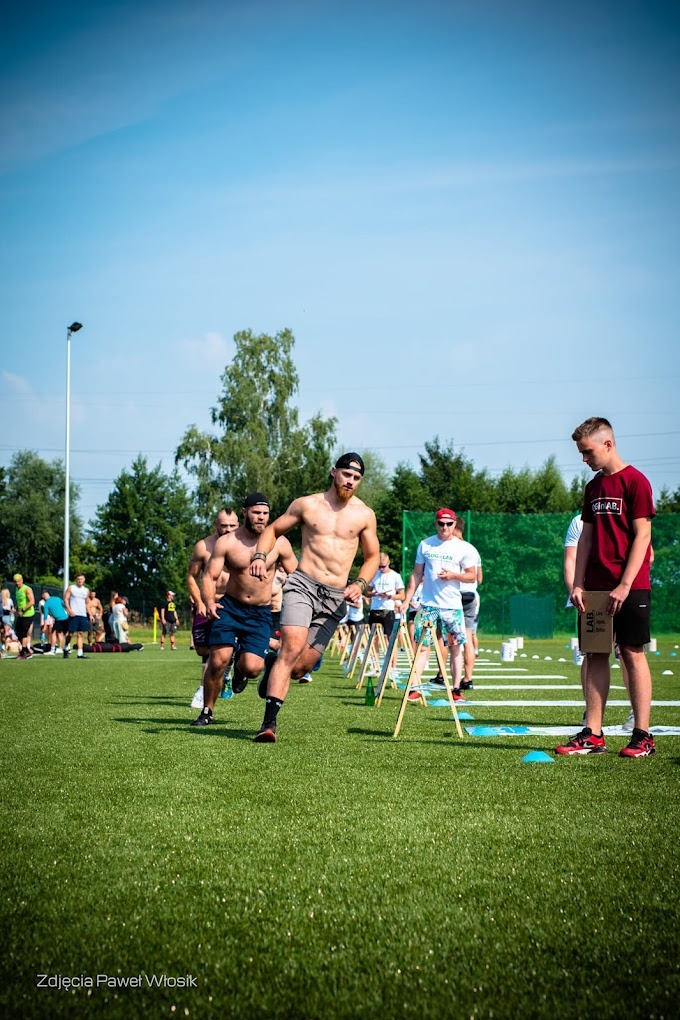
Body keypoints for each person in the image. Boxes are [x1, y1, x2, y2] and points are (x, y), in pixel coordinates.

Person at [249, 453, 380, 743]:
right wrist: (260, 555)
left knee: (302, 666)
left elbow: (372, 557)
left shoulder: (364, 514)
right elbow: (273, 529)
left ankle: (272, 666)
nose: (351, 481)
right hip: (302, 585)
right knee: (292, 646)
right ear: (334, 472)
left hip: (335, 597)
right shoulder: (307, 504)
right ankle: (268, 724)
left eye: (357, 478)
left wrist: (359, 582)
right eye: (347, 474)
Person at [555, 417, 656, 759]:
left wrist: (625, 585)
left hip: (631, 587)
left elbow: (643, 536)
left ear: (608, 445)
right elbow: (586, 538)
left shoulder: (636, 481)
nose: (585, 459)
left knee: (631, 653)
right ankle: (593, 734)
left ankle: (642, 736)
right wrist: (579, 583)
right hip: (595, 589)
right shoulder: (593, 487)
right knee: (595, 653)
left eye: (588, 452)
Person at [191, 493, 297, 727]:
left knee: (252, 668)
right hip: (229, 608)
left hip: (260, 613)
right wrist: (208, 601)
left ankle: (240, 669)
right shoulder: (228, 542)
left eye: (265, 513)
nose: (261, 517)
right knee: (218, 661)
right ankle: (207, 710)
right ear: (245, 513)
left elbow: (297, 576)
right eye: (256, 512)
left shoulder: (279, 543)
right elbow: (209, 576)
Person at [402, 509, 477, 701]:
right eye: (441, 523)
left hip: (452, 607)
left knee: (455, 648)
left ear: (454, 524)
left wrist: (453, 575)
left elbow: (472, 575)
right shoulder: (425, 544)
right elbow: (416, 574)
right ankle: (414, 688)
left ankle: (456, 690)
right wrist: (406, 599)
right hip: (428, 606)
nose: (445, 527)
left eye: (449, 524)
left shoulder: (464, 548)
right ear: (435, 523)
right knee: (422, 647)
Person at [186, 507, 239, 708]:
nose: (227, 529)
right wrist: (199, 601)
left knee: (214, 652)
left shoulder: (243, 545)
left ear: (238, 525)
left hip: (230, 604)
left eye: (232, 526)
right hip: (206, 603)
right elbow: (191, 576)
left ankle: (202, 690)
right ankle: (226, 668)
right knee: (202, 650)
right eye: (223, 525)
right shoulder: (204, 547)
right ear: (216, 525)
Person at [454, 516, 483, 690]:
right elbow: (479, 578)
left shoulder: (450, 546)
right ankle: (468, 679)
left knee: (446, 638)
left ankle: (442, 675)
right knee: (468, 637)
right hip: (471, 594)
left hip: (453, 595)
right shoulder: (473, 549)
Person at [367, 554, 405, 637]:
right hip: (375, 608)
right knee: (373, 637)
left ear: (388, 563)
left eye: (383, 566)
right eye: (379, 566)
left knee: (390, 636)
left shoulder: (395, 576)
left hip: (388, 609)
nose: (381, 569)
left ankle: (391, 650)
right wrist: (374, 593)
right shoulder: (374, 575)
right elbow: (367, 592)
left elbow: (402, 596)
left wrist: (389, 596)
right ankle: (375, 650)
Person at [64, 573, 90, 659]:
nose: (80, 581)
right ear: (76, 580)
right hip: (73, 614)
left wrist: (90, 614)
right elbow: (66, 599)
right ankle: (66, 646)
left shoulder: (86, 590)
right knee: (70, 633)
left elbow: (87, 603)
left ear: (84, 580)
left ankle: (80, 653)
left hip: (82, 614)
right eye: (78, 579)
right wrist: (69, 610)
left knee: (80, 633)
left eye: (81, 579)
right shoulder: (71, 588)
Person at [13, 573, 36, 659]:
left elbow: (32, 602)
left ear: (22, 580)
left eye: (19, 581)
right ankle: (27, 650)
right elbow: (19, 601)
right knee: (17, 632)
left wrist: (22, 610)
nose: (17, 583)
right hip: (21, 614)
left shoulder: (27, 589)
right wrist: (15, 608)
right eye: (15, 582)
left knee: (23, 633)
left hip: (28, 614)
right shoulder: (16, 589)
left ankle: (23, 653)